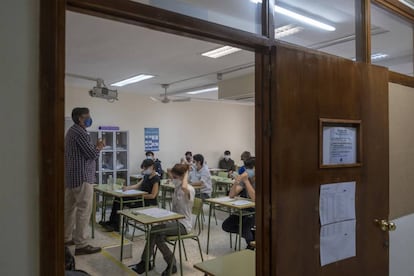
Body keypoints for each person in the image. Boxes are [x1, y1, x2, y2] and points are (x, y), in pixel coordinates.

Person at [133, 164, 195, 275]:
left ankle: (146, 262)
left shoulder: (189, 189)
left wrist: (186, 172)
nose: (172, 179)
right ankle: (170, 263)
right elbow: (169, 170)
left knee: (154, 231)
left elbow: (184, 187)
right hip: (173, 221)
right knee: (157, 236)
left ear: (182, 177)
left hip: (183, 225)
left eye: (175, 178)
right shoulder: (177, 188)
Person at [64, 107, 104, 255]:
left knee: (69, 209)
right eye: (87, 116)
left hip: (71, 177)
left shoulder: (70, 132)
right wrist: (99, 147)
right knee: (83, 210)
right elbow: (92, 154)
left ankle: (66, 237)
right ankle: (81, 244)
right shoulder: (80, 132)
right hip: (82, 177)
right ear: (80, 118)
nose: (89, 118)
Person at [105, 159, 160, 232]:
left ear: (152, 167)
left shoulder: (156, 178)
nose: (144, 170)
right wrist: (127, 188)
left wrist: (139, 196)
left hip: (147, 202)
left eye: (145, 168)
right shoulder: (146, 176)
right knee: (117, 199)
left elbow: (153, 195)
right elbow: (137, 185)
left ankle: (115, 225)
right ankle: (112, 222)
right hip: (140, 198)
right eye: (144, 168)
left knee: (121, 201)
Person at [222, 157, 256, 249]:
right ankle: (253, 235)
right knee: (226, 225)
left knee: (245, 228)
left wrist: (246, 181)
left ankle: (251, 246)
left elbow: (255, 198)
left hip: (257, 210)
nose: (248, 171)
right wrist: (236, 182)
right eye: (246, 168)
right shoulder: (246, 179)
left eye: (250, 168)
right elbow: (232, 195)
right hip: (246, 208)